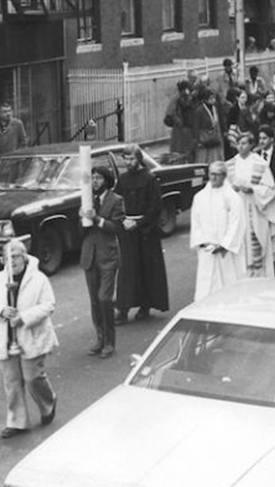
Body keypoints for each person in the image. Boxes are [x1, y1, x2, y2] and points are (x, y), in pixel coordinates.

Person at [0, 239, 58, 438]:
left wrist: (24, 317)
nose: (12, 261)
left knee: (32, 378)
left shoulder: (38, 279)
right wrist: (1, 311)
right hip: (6, 337)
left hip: (31, 335)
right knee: (12, 381)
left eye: (15, 256)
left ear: (24, 257)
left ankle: (48, 402)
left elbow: (48, 304)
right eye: (7, 258)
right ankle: (16, 421)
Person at [114, 145, 170, 324]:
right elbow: (117, 202)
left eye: (132, 159)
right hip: (128, 231)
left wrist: (138, 223)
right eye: (126, 159)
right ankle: (123, 309)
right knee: (127, 271)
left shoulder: (149, 179)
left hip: (146, 232)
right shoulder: (122, 179)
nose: (129, 162)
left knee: (146, 269)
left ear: (139, 159)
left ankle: (145, 306)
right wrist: (122, 220)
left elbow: (155, 207)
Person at [79, 166, 124, 357]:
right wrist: (81, 218)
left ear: (106, 180)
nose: (95, 181)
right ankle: (100, 339)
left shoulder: (116, 200)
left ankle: (110, 342)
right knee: (94, 301)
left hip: (108, 256)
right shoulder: (87, 200)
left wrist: (97, 218)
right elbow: (81, 231)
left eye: (98, 178)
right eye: (93, 178)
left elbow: (117, 228)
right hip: (90, 256)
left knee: (104, 298)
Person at [227, 132, 275, 277]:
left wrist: (253, 190)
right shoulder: (230, 165)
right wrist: (232, 189)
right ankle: (242, 277)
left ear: (251, 145)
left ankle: (260, 276)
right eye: (238, 143)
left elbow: (270, 189)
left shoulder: (260, 164)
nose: (240, 146)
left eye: (244, 143)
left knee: (256, 244)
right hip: (238, 211)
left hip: (256, 209)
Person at [189, 161, 245, 301]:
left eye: (217, 175)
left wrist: (224, 244)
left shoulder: (233, 198)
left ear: (224, 176)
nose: (213, 178)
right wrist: (202, 242)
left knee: (229, 284)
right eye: (211, 174)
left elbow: (236, 223)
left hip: (226, 251)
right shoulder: (200, 197)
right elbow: (196, 222)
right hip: (207, 249)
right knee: (206, 286)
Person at [191, 88, 226, 164]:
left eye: (214, 98)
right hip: (204, 138)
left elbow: (220, 122)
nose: (213, 100)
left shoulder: (215, 108)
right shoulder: (199, 111)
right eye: (211, 98)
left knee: (215, 158)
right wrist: (197, 140)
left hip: (215, 137)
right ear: (205, 99)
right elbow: (196, 127)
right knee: (204, 159)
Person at [165, 81, 197, 160]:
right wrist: (179, 122)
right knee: (180, 148)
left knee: (187, 148)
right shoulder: (177, 98)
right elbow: (170, 112)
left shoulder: (189, 98)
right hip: (181, 128)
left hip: (187, 127)